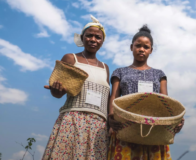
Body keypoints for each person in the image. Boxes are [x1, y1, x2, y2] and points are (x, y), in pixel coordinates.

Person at [107, 25, 184, 160]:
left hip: (153, 130)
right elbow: (114, 97)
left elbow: (165, 101)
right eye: (138, 45)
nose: (141, 49)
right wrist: (111, 118)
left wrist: (176, 119)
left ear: (151, 50)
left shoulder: (159, 74)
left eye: (146, 47)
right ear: (131, 47)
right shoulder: (119, 72)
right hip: (126, 127)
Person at [42, 15, 110, 159]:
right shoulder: (71, 58)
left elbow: (108, 99)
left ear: (102, 41)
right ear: (82, 37)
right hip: (73, 119)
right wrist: (56, 90)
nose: (93, 39)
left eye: (98, 37)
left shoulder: (105, 67)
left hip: (99, 126)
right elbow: (58, 93)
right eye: (89, 35)